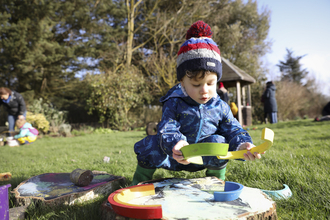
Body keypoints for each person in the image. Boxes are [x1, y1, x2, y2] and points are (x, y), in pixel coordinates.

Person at [131, 21, 264, 185]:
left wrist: (243, 144)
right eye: (196, 85)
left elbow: (233, 129)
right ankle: (138, 184)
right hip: (176, 155)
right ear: (182, 82)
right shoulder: (174, 101)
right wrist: (176, 143)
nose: (204, 90)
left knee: (219, 142)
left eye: (210, 83)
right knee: (149, 145)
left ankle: (216, 182)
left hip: (206, 155)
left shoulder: (220, 106)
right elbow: (167, 126)